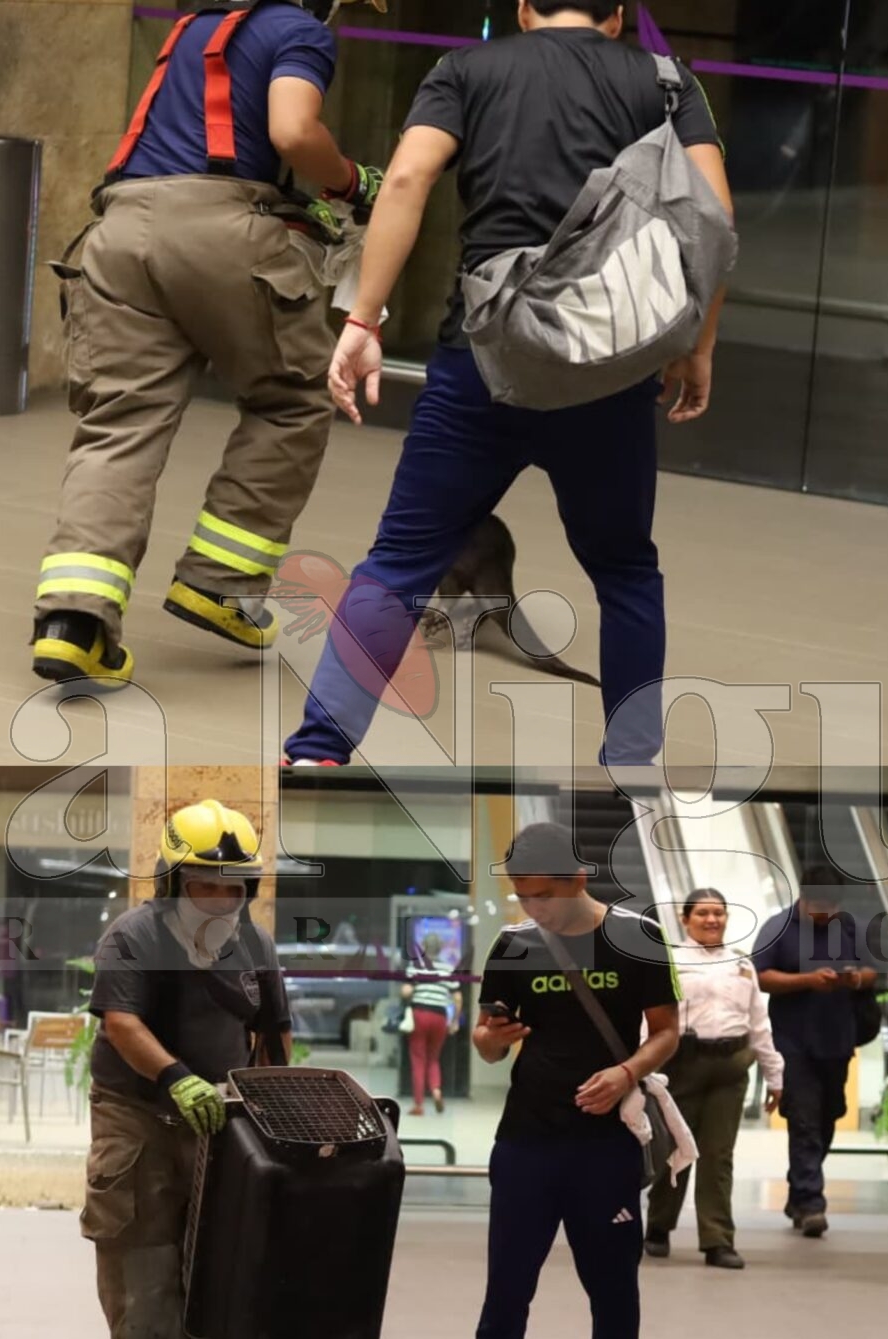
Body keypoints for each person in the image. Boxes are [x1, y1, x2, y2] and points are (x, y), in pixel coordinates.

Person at [281, 0, 732, 769]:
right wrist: (695, 345)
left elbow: (406, 181)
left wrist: (363, 319)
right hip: (605, 369)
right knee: (624, 570)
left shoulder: (467, 69)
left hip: (481, 360)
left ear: (524, 10)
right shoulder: (666, 82)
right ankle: (631, 766)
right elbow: (714, 218)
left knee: (399, 563)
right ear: (618, 17)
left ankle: (321, 749)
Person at [31, 0, 389, 689]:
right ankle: (219, 584)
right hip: (224, 229)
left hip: (119, 232)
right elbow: (292, 129)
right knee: (293, 399)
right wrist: (348, 180)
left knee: (119, 425)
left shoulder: (191, 28)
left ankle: (73, 624)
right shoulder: (298, 31)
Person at [427, 821, 680, 1339]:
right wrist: (495, 1037)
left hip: (607, 1147)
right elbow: (483, 1040)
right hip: (527, 1143)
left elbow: (668, 1031)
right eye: (521, 895)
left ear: (578, 879)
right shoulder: (514, 946)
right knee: (507, 1288)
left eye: (542, 894)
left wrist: (626, 1073)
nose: (531, 907)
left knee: (615, 1289)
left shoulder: (636, 937)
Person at [80, 798, 292, 1339]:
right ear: (172, 882)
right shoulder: (134, 935)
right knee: (141, 1237)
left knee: (220, 1244)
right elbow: (121, 1021)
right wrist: (176, 1078)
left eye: (233, 886)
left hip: (222, 1117)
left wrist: (273, 1106)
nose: (219, 898)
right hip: (137, 1110)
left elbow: (273, 1030)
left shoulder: (253, 942)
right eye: (204, 884)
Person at [645, 887, 784, 1271]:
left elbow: (759, 1023)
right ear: (685, 920)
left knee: (719, 1156)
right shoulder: (669, 961)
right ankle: (658, 1227)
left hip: (731, 1066)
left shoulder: (741, 964)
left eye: (718, 913)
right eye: (703, 913)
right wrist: (643, 1070)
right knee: (675, 1148)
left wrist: (775, 1076)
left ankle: (717, 1239)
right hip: (680, 1067)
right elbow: (650, 1020)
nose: (712, 920)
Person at [753, 866, 877, 1239]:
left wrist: (855, 978)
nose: (823, 915)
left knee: (827, 1117)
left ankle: (799, 1188)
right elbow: (759, 976)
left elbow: (875, 970)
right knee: (804, 1120)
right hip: (793, 1043)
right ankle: (811, 1203)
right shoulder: (778, 927)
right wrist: (807, 980)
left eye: (830, 909)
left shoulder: (851, 927)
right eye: (817, 908)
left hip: (838, 1039)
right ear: (803, 899)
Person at [401, 930, 461, 1115]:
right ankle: (436, 1091)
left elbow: (405, 992)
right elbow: (457, 997)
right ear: (441, 949)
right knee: (433, 1059)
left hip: (420, 1014)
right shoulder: (448, 969)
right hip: (440, 1017)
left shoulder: (416, 966)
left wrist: (408, 990)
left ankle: (419, 1105)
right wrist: (454, 1021)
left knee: (418, 1059)